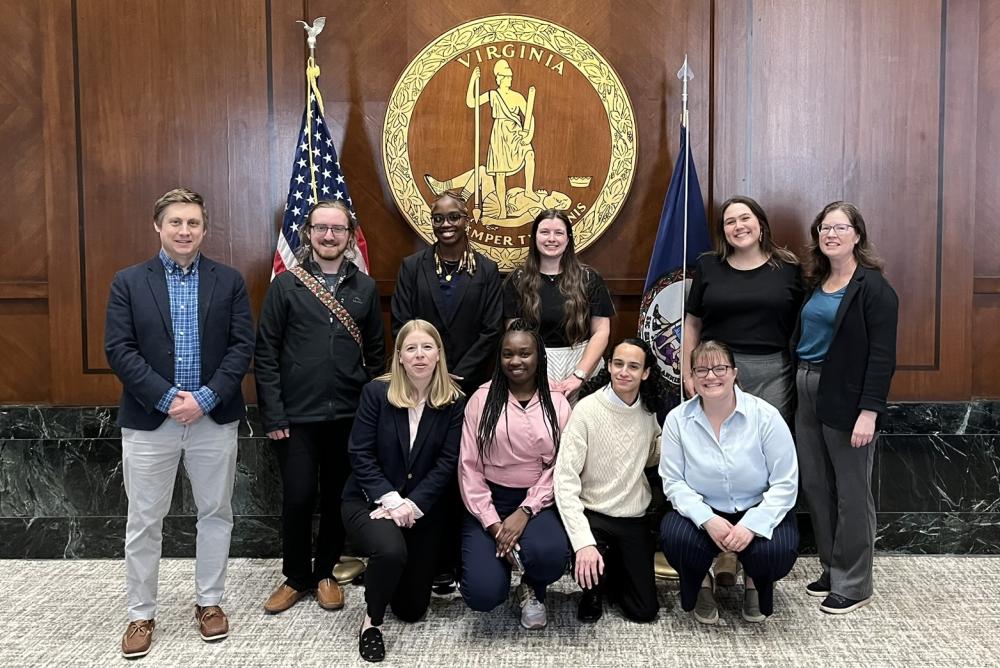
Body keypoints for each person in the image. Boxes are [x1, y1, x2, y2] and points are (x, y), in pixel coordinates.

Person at [104, 188, 254, 659]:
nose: (184, 231)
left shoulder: (229, 281)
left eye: (193, 223)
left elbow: (242, 347)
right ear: (158, 226)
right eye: (175, 222)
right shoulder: (128, 282)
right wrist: (169, 399)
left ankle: (209, 603)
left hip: (214, 418)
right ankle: (140, 614)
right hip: (150, 420)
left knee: (216, 513)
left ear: (204, 229)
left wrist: (205, 398)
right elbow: (119, 350)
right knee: (144, 519)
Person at [255, 200, 385, 615]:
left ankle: (326, 572)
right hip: (296, 418)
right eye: (321, 228)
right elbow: (266, 354)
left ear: (350, 236)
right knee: (297, 497)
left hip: (348, 416)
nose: (329, 236)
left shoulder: (365, 288)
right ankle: (296, 576)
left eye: (338, 229)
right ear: (307, 233)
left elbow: (377, 356)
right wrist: (274, 414)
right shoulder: (285, 286)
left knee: (336, 498)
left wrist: (371, 413)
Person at [681, 196, 803, 586]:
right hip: (716, 373)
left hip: (772, 372)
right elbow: (692, 323)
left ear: (761, 223)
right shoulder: (708, 266)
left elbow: (803, 324)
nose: (738, 226)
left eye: (745, 218)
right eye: (729, 221)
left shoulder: (789, 269)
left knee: (762, 465)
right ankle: (722, 553)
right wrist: (689, 371)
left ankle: (755, 557)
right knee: (716, 458)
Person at [793, 201, 898, 615]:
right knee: (817, 486)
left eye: (840, 227)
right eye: (824, 228)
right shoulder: (816, 281)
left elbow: (882, 357)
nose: (831, 234)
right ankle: (832, 569)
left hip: (847, 397)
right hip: (805, 388)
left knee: (852, 492)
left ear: (857, 235)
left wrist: (869, 412)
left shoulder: (874, 288)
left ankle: (854, 584)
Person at [341, 320, 465, 662]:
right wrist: (392, 500)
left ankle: (383, 572)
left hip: (419, 509)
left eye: (427, 347)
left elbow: (448, 462)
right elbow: (360, 454)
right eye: (411, 348)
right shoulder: (376, 393)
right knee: (390, 550)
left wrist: (411, 504)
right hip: (369, 500)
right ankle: (371, 624)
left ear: (438, 354)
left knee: (411, 609)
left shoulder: (454, 400)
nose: (419, 355)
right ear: (399, 356)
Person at [660, 341, 799, 625]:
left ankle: (754, 583)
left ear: (734, 373)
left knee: (777, 550)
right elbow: (673, 482)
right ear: (692, 377)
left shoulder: (765, 416)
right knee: (676, 540)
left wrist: (752, 525)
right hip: (705, 508)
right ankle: (702, 584)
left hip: (756, 506)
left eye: (719, 368)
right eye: (701, 370)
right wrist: (707, 519)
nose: (711, 376)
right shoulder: (677, 419)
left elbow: (786, 483)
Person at [458, 321, 572, 630]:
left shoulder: (557, 402)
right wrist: (494, 525)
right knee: (482, 594)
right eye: (507, 354)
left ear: (539, 356)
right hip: (489, 500)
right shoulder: (480, 400)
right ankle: (497, 565)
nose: (515, 361)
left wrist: (526, 510)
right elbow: (469, 467)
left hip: (538, 500)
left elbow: (562, 466)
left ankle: (532, 586)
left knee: (549, 556)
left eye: (524, 353)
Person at [554, 338, 668, 624]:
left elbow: (651, 457)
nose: (624, 372)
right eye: (618, 364)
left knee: (644, 611)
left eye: (633, 366)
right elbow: (564, 480)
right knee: (591, 566)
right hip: (594, 514)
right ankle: (592, 590)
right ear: (608, 366)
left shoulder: (648, 411)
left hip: (633, 516)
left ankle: (613, 570)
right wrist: (583, 542)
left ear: (645, 373)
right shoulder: (586, 410)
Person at [391, 191, 503, 398]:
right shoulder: (411, 267)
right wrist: (432, 370)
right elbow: (401, 324)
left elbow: (492, 330)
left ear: (467, 221)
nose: (445, 224)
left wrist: (459, 375)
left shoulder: (487, 269)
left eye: (454, 217)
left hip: (469, 383)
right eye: (438, 218)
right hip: (421, 380)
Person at [503, 209, 614, 398]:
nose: (551, 239)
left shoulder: (589, 278)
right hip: (533, 366)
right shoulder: (517, 280)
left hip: (583, 363)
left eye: (559, 233)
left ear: (568, 239)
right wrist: (536, 375)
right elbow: (514, 335)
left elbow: (601, 332)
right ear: (534, 237)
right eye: (545, 232)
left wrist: (579, 375)